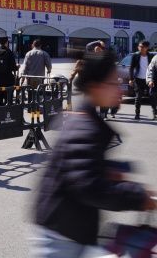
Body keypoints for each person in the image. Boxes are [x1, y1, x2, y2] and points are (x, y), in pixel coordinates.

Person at [32, 50, 155, 257]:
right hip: (61, 238)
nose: (119, 88)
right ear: (95, 86)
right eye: (113, 83)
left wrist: (109, 171)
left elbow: (83, 170)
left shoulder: (86, 119)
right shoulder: (84, 127)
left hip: (71, 230)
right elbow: (88, 186)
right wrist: (137, 197)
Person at [129, 40, 156, 120]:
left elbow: (153, 68)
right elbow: (131, 68)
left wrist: (152, 79)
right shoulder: (135, 56)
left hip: (149, 80)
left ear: (146, 48)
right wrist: (131, 79)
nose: (140, 48)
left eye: (142, 47)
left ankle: (154, 113)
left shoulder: (151, 56)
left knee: (152, 96)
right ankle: (137, 114)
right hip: (138, 79)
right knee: (138, 97)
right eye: (139, 46)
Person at [0, 36, 18, 105]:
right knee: (8, 100)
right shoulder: (9, 52)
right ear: (6, 43)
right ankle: (8, 112)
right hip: (8, 80)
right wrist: (17, 67)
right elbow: (13, 67)